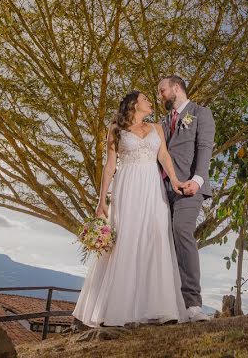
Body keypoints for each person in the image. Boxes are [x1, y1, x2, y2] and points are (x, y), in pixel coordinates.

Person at [72, 90, 189, 327]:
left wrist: (175, 181)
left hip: (153, 188)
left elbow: (164, 155)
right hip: (127, 187)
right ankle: (118, 309)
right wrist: (101, 200)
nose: (150, 102)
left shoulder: (157, 128)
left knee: (156, 236)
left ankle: (160, 308)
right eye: (146, 99)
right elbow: (110, 165)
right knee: (127, 238)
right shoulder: (116, 129)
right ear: (134, 104)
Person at [157, 75, 214, 322]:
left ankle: (193, 305)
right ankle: (165, 304)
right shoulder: (161, 122)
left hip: (189, 188)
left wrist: (198, 181)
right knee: (160, 241)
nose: (160, 96)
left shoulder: (200, 113)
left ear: (176, 88)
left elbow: (204, 149)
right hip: (161, 190)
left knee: (181, 231)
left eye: (162, 91)